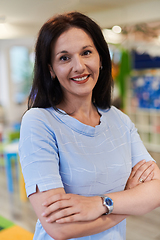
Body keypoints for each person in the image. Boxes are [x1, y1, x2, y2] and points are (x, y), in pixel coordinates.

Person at [19, 12, 160, 240]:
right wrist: (126, 200)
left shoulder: (120, 120)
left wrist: (99, 204)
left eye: (86, 52)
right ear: (51, 69)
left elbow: (156, 191)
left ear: (101, 58)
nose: (79, 66)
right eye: (64, 58)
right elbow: (59, 227)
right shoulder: (39, 122)